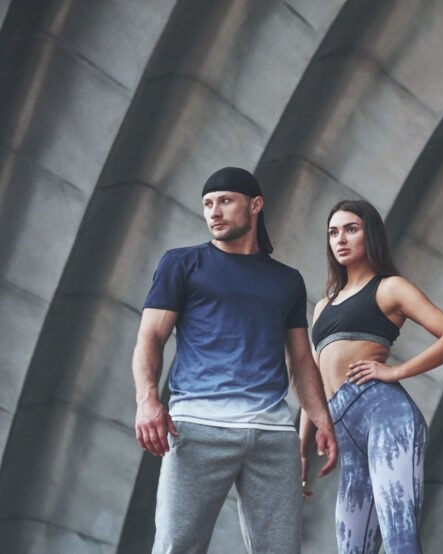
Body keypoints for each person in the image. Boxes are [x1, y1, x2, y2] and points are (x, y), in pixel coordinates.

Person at [132, 166, 338, 554]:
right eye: (208, 204)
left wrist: (321, 417)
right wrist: (147, 400)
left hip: (273, 435)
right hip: (197, 428)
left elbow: (300, 360)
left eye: (225, 201)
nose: (214, 212)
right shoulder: (182, 264)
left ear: (255, 205)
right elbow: (150, 338)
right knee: (177, 547)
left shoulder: (287, 280)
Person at [300, 200, 443, 554]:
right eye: (333, 232)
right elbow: (312, 380)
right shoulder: (323, 306)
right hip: (346, 432)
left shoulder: (390, 288)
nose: (340, 239)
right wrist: (301, 448)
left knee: (400, 539)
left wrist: (395, 371)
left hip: (386, 418)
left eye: (351, 229)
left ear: (371, 235)